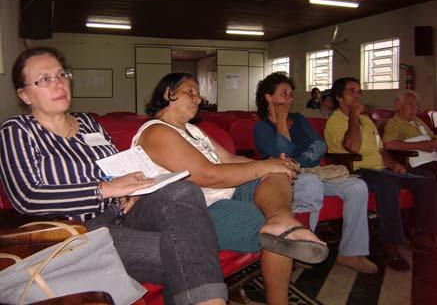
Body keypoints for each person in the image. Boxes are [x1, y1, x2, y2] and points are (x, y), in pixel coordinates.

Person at [0, 47, 228, 305]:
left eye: (61, 75)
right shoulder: (17, 130)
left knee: (184, 190)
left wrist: (132, 189)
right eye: (44, 79)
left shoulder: (88, 123)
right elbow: (28, 197)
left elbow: (115, 168)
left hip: (122, 213)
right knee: (188, 250)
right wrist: (105, 189)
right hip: (76, 232)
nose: (58, 83)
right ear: (24, 94)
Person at [131, 72, 329, 305]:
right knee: (265, 225)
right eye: (190, 92)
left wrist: (277, 164)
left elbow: (229, 159)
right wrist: (265, 165)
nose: (197, 99)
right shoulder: (156, 131)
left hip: (226, 191)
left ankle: (281, 219)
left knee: (276, 173)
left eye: (198, 94)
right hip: (195, 209)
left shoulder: (193, 130)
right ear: (168, 93)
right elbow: (208, 176)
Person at [253, 72, 377, 273]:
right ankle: (302, 244)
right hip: (283, 181)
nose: (289, 99)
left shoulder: (299, 119)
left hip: (314, 172)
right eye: (284, 94)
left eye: (291, 94)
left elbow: (319, 146)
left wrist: (297, 161)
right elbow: (280, 155)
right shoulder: (261, 127)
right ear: (268, 97)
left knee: (357, 186)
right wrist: (282, 122)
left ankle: (351, 253)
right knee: (310, 181)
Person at [324, 77, 437, 271]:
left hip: (380, 169)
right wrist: (353, 115)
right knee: (388, 184)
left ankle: (420, 234)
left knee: (426, 179)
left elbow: (381, 149)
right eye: (352, 91)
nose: (358, 95)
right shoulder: (335, 121)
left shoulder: (366, 120)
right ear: (339, 97)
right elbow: (352, 146)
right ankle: (390, 246)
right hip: (356, 171)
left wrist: (394, 165)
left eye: (359, 91)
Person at [383, 90, 437, 177]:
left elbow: (431, 136)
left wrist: (434, 142)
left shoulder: (418, 121)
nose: (414, 108)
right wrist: (421, 145)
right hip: (418, 163)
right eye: (410, 104)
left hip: (433, 159)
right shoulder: (394, 123)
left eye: (416, 105)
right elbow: (389, 144)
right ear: (398, 105)